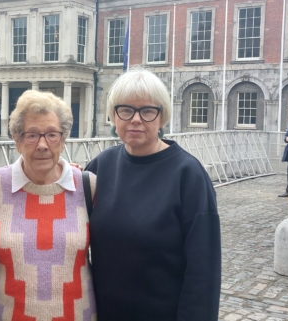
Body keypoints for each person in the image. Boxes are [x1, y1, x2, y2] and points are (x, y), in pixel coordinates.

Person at [84, 68, 221, 320]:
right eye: (126, 109)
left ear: (162, 117)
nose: (136, 119)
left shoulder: (188, 175)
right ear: (114, 115)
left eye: (147, 111)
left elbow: (204, 270)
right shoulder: (101, 166)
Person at [0, 90, 96, 320]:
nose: (43, 145)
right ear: (16, 139)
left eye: (52, 134)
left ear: (63, 140)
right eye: (31, 135)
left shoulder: (87, 186)